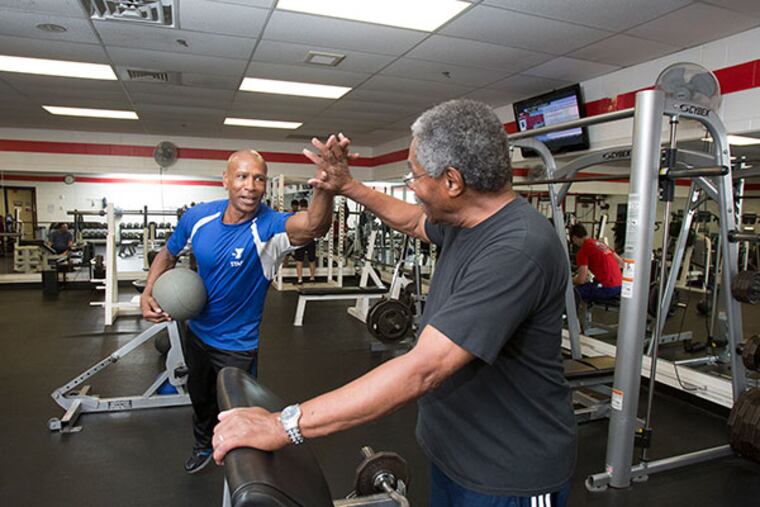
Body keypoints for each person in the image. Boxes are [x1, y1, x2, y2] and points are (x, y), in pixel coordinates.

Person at [211, 100, 577, 506]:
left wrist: (284, 426)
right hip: (458, 454)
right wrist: (347, 186)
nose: (413, 186)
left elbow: (423, 369)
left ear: (452, 181)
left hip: (508, 474)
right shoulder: (466, 221)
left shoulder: (516, 249)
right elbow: (411, 220)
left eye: (415, 176)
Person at [140, 149, 336, 474]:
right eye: (243, 176)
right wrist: (149, 289)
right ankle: (203, 445)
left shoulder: (270, 227)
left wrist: (325, 190)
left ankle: (246, 476)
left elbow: (314, 225)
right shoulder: (198, 217)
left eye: (259, 178)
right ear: (226, 180)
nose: (250, 186)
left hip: (237, 346)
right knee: (201, 401)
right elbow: (168, 252)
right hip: (198, 333)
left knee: (240, 414)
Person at [569, 223, 623, 302]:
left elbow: (581, 280)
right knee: (589, 285)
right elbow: (621, 263)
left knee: (572, 292)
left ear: (574, 238)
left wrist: (571, 280)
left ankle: (568, 314)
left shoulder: (583, 251)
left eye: (573, 241)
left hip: (607, 289)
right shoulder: (600, 244)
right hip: (619, 285)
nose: (574, 243)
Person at [294, 198, 317, 284]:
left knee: (299, 260)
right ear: (307, 205)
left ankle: (300, 279)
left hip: (300, 239)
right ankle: (312, 277)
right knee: (312, 259)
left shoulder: (296, 215)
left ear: (300, 206)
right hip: (310, 238)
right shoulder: (312, 215)